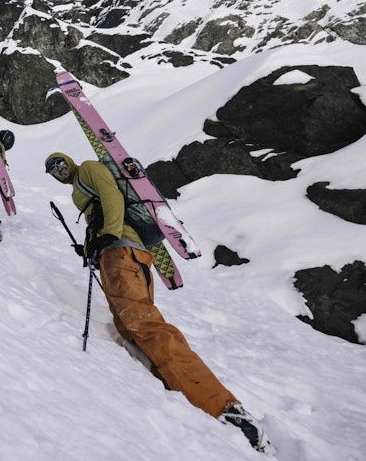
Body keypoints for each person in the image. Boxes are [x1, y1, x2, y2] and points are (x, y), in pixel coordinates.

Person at [44, 152, 271, 452]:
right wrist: (89, 248)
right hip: (118, 257)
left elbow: (113, 195)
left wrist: (108, 235)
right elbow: (99, 215)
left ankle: (223, 407)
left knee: (146, 326)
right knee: (131, 329)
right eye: (51, 170)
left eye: (59, 163)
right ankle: (176, 388)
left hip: (122, 254)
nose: (58, 170)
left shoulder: (87, 169)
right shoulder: (78, 189)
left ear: (68, 161)